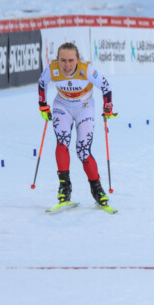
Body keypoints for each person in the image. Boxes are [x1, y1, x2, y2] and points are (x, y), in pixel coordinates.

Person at [38, 42, 116, 208]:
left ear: (78, 59)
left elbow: (105, 86)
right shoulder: (52, 69)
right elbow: (42, 83)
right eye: (63, 60)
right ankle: (64, 188)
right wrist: (43, 105)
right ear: (57, 59)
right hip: (62, 106)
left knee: (82, 150)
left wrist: (108, 107)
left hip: (84, 108)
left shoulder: (86, 70)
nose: (67, 65)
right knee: (62, 142)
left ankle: (97, 190)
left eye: (71, 60)